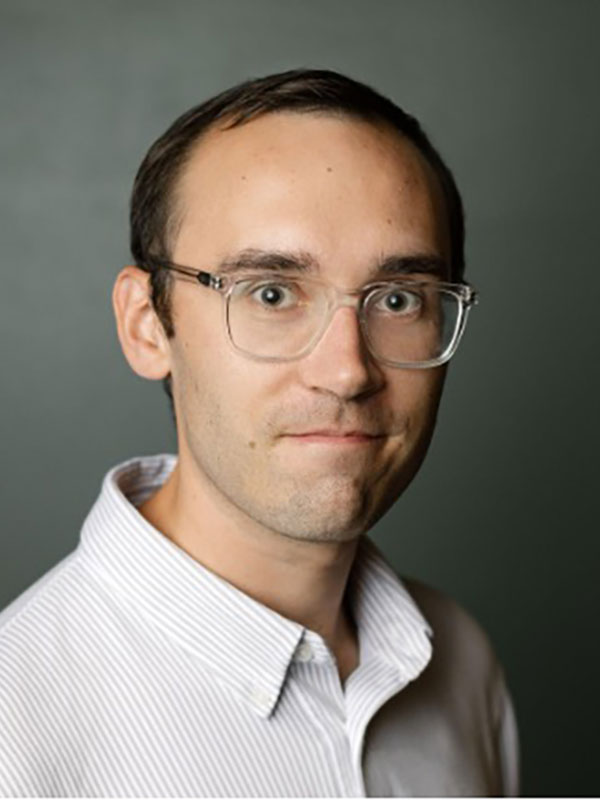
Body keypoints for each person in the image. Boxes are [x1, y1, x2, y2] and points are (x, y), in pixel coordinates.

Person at [0, 69, 519, 797]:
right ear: (147, 325)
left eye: (399, 298)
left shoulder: (462, 664)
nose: (347, 371)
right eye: (272, 293)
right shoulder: (16, 731)